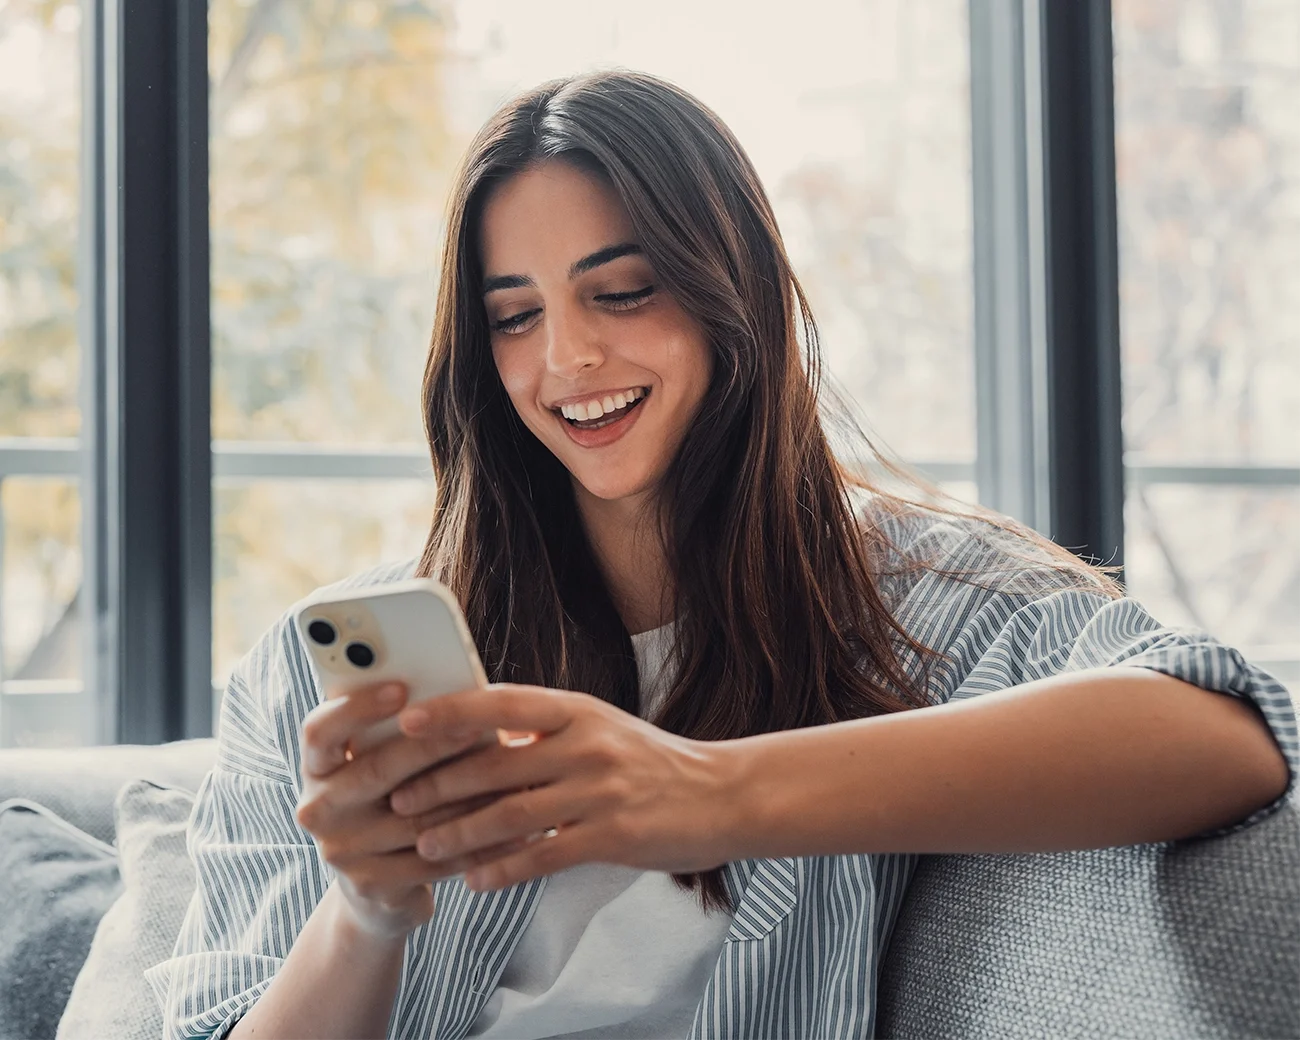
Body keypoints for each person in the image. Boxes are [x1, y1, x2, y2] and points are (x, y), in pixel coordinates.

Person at [148, 70, 1296, 1040]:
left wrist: (706, 794)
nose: (568, 358)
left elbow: (1229, 735)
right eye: (514, 315)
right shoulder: (319, 671)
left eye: (623, 291)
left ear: (728, 290)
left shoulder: (921, 605)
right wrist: (366, 914)